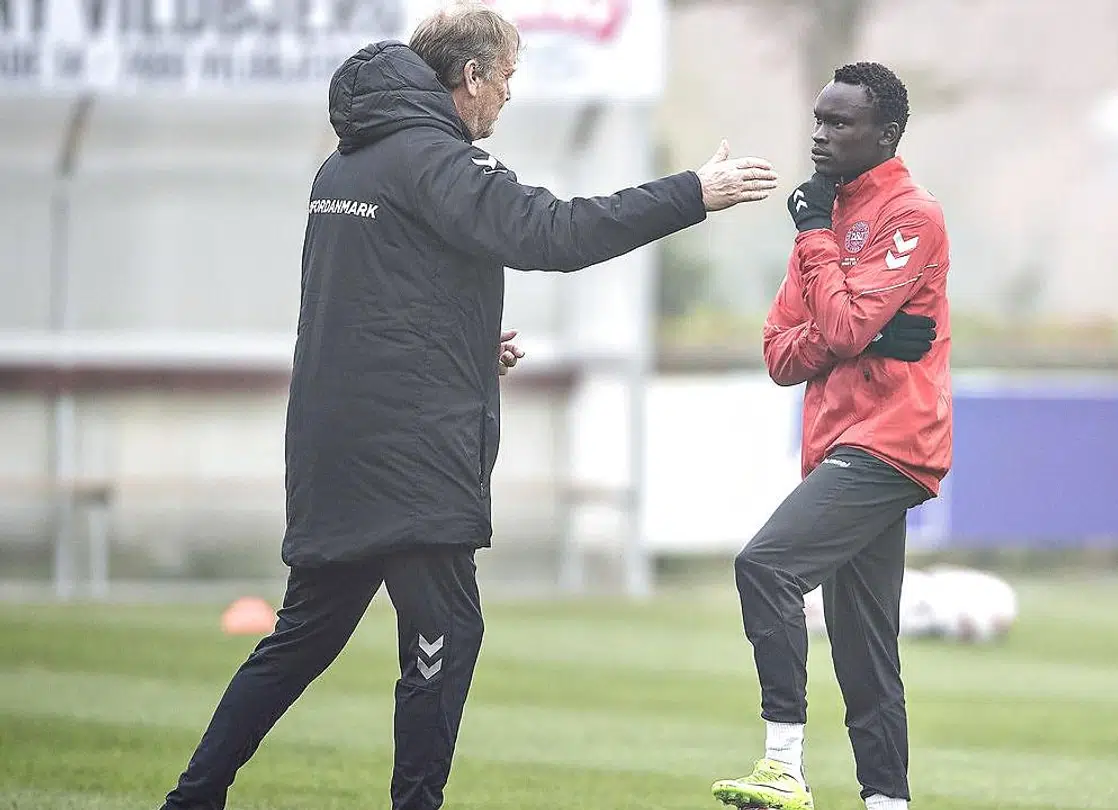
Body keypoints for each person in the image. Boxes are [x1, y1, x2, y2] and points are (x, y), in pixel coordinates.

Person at [157, 4, 778, 810]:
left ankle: (193, 797)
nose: (510, 98)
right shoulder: (435, 160)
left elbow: (367, 306)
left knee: (300, 641)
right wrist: (693, 191)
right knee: (445, 633)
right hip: (408, 460)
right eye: (508, 79)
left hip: (337, 449)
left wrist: (468, 344)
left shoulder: (344, 167)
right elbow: (554, 233)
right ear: (472, 77)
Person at [710, 62, 952, 810]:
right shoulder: (825, 213)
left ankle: (782, 763)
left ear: (886, 134)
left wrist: (828, 271)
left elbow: (843, 324)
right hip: (838, 444)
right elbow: (781, 353)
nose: (820, 134)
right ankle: (887, 802)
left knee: (767, 568)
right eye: (819, 119)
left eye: (840, 123)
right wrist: (860, 334)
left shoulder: (911, 215)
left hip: (892, 441)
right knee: (865, 647)